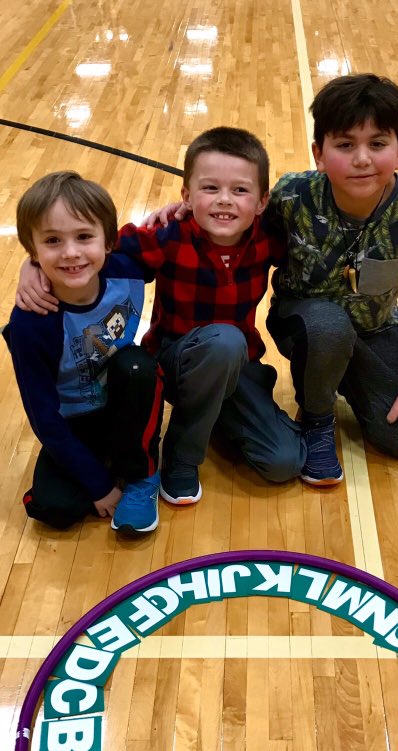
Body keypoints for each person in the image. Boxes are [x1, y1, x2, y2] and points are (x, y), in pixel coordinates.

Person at [16, 128, 305, 505]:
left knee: (284, 462)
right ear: (185, 196)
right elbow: (92, 248)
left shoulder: (269, 238)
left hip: (239, 366)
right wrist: (33, 262)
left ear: (262, 201)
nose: (224, 201)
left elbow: (310, 261)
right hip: (175, 362)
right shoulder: (166, 236)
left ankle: (217, 415)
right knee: (224, 341)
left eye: (240, 190)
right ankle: (182, 458)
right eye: (209, 188)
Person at [264, 73, 398, 482]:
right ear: (319, 152)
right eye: (345, 145)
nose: (362, 158)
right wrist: (174, 214)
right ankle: (317, 417)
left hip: (377, 329)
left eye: (377, 144)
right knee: (330, 329)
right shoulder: (292, 195)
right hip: (305, 323)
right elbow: (238, 236)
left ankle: (334, 375)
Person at [4, 172, 163, 533]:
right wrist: (99, 486)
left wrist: (180, 207)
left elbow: (183, 233)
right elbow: (44, 418)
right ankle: (106, 465)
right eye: (53, 241)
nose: (71, 252)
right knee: (53, 509)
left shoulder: (128, 267)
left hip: (123, 401)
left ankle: (142, 473)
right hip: (72, 425)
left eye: (84, 237)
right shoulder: (32, 323)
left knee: (139, 367)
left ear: (109, 241)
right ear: (33, 250)